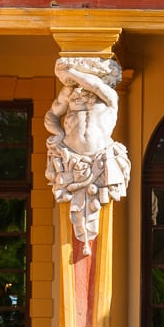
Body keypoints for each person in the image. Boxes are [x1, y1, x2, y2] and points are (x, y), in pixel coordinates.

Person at [44, 56, 131, 255]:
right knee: (77, 213)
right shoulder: (69, 95)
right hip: (71, 160)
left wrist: (70, 73)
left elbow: (94, 85)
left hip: (99, 160)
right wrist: (58, 134)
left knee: (93, 211)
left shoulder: (108, 95)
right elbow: (50, 116)